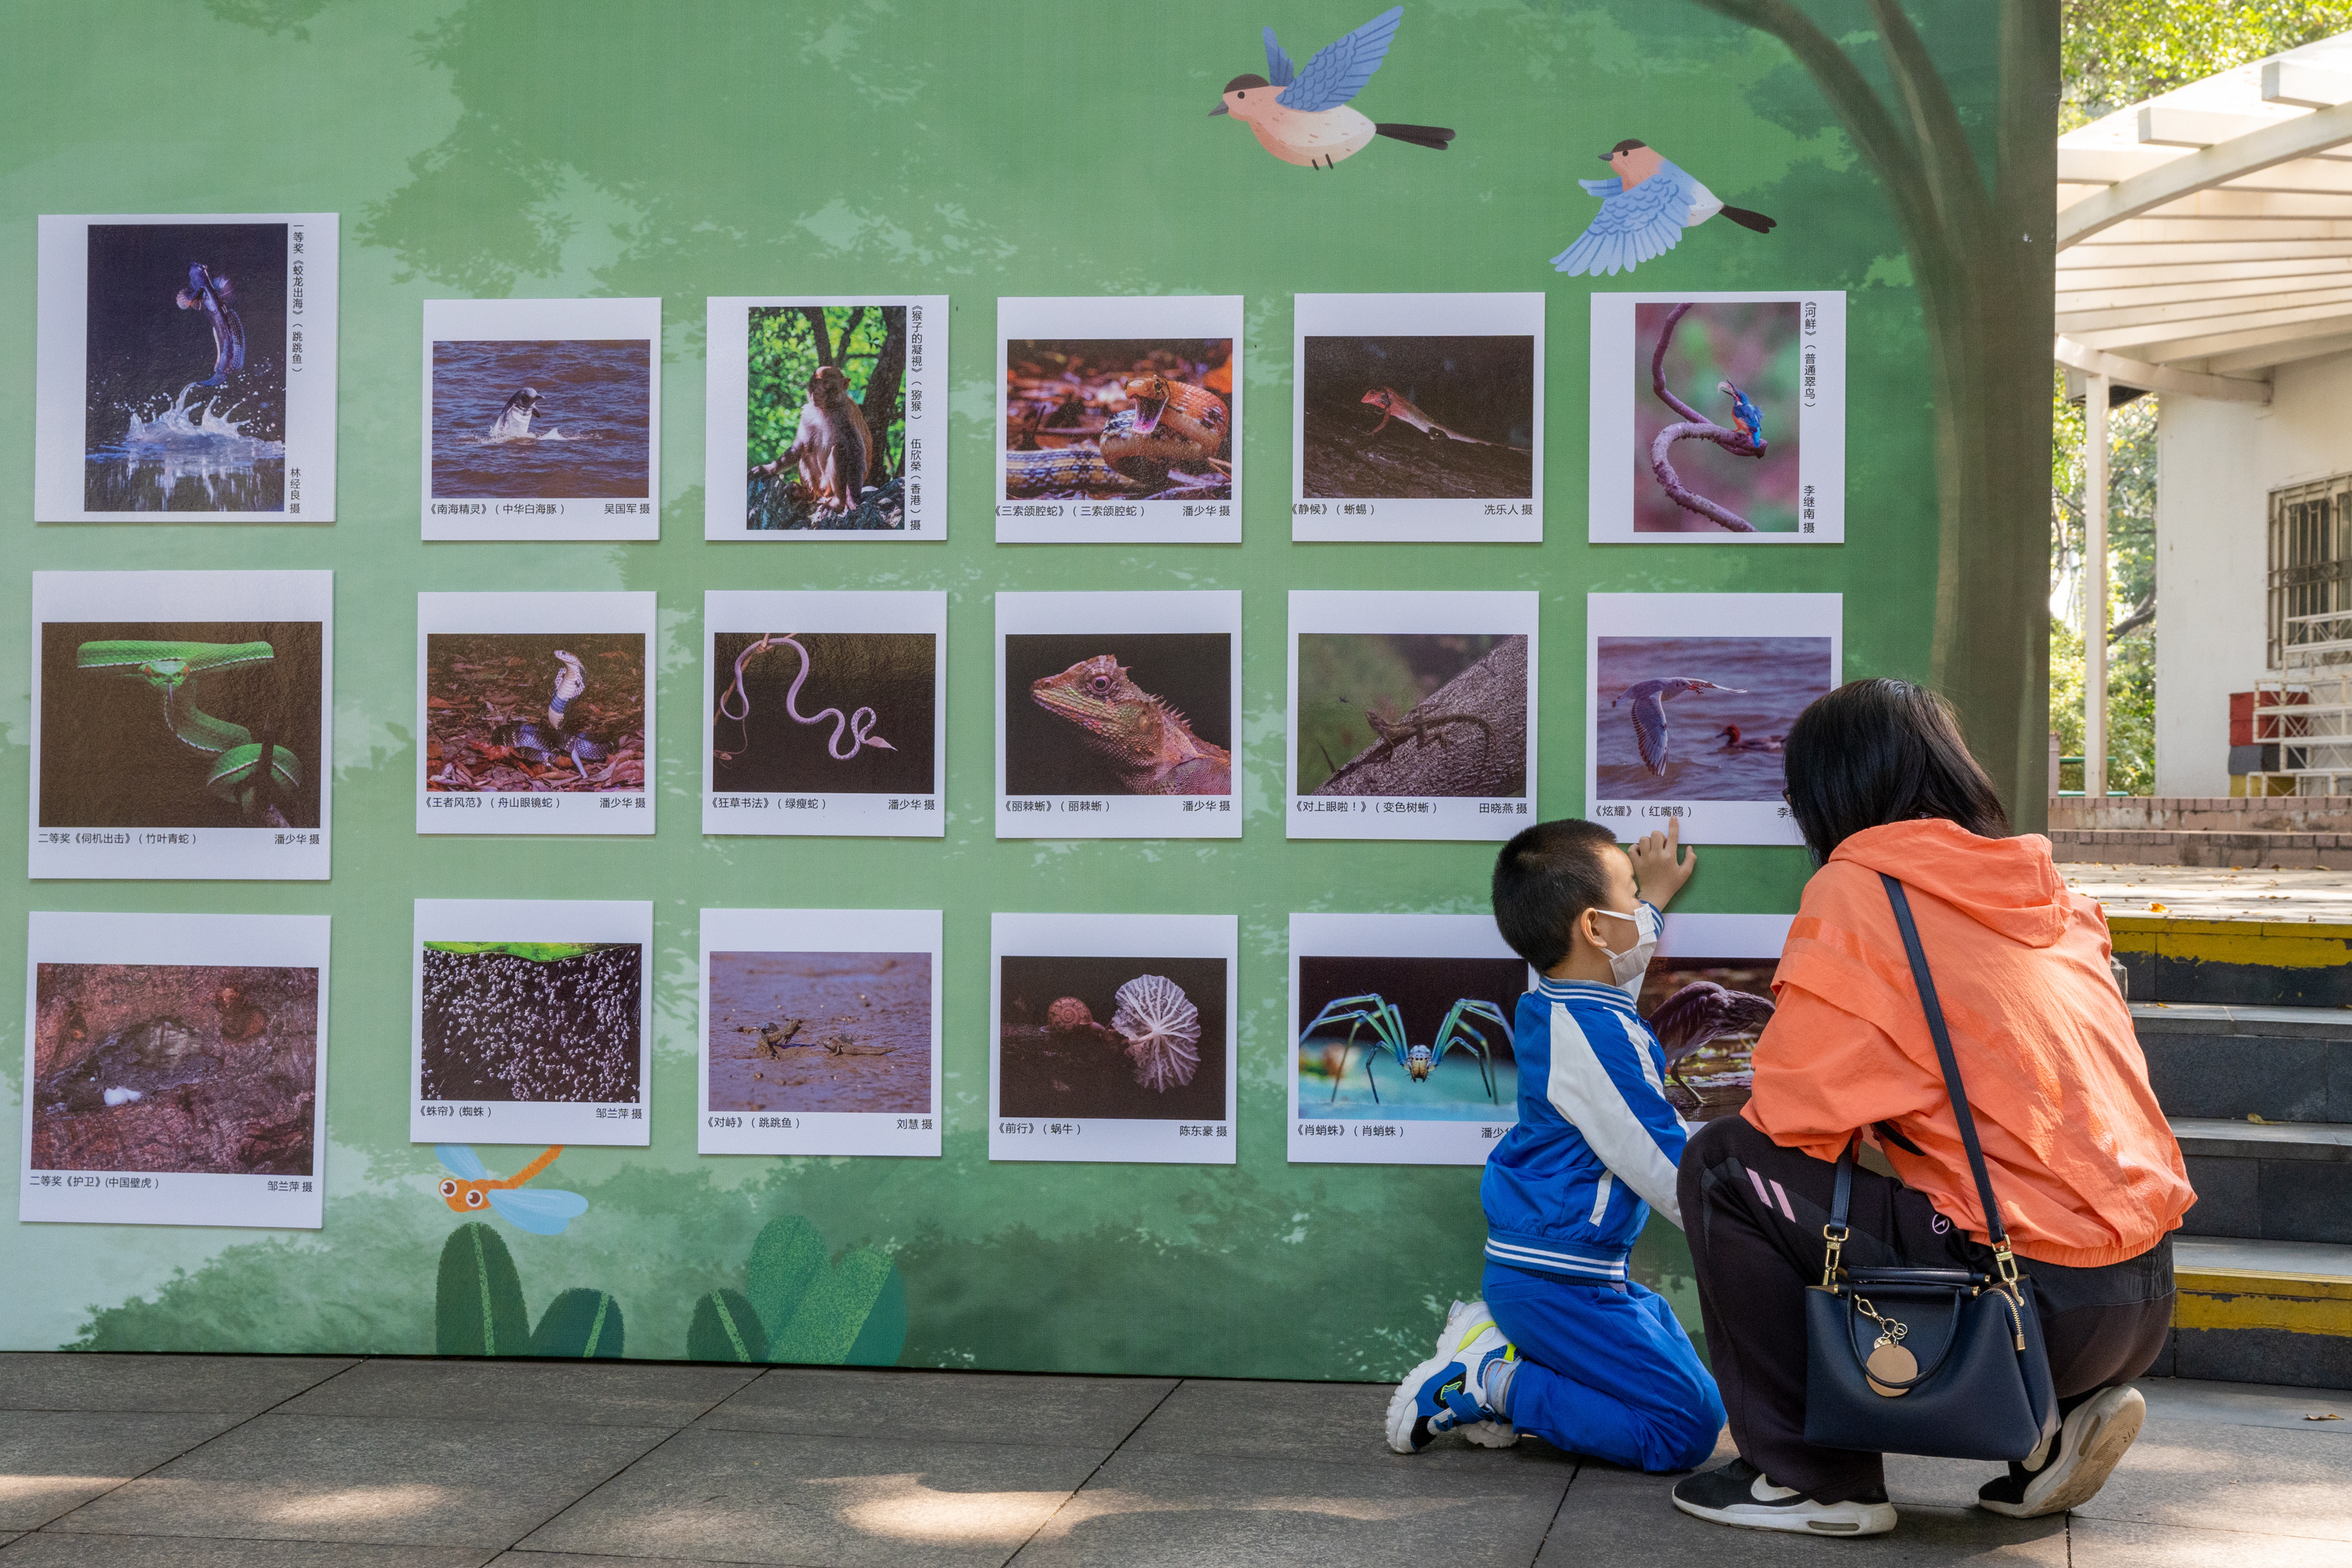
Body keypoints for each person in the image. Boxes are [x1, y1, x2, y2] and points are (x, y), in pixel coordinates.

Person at [1671, 679, 2192, 1537]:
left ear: (1828, 793)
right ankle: (2045, 1437)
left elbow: (1793, 1116)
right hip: (2138, 1294)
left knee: (1725, 1164)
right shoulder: (2049, 891)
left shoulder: (1861, 887)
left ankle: (1813, 1478)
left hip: (2033, 1302)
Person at [1387, 815, 1726, 1472]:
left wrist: (1649, 898)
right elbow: (1661, 1163)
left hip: (1567, 1271)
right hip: (1560, 1280)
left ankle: (1514, 1354)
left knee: (1692, 1394)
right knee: (1686, 1425)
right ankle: (1488, 1380)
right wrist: (1753, 1225)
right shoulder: (1594, 1038)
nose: (1639, 903)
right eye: (1628, 889)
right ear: (1597, 927)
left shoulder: (1564, 998)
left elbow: (1617, 959)